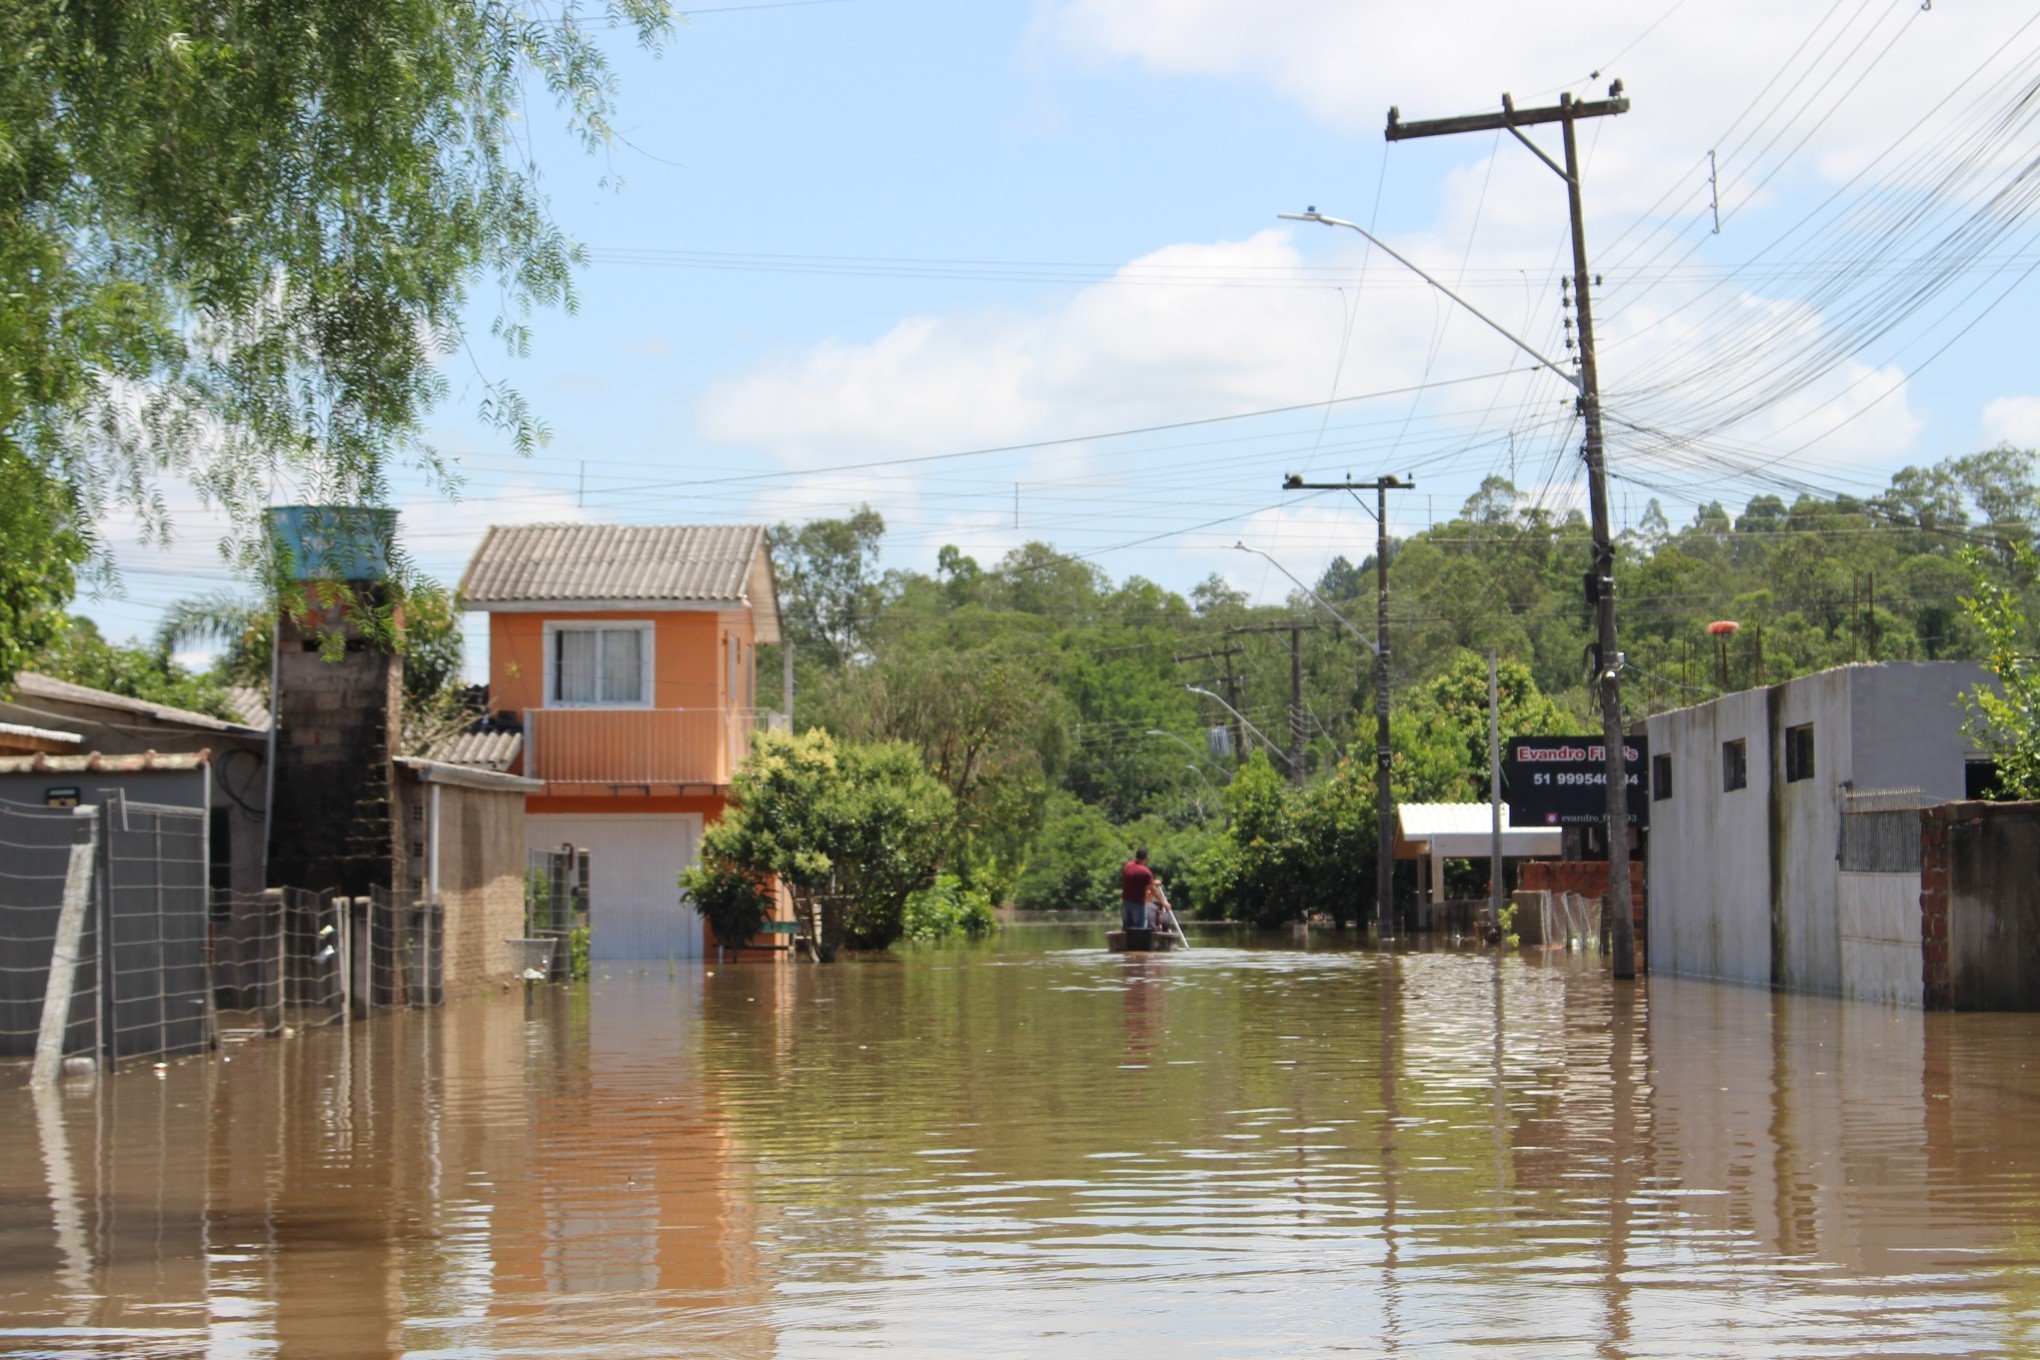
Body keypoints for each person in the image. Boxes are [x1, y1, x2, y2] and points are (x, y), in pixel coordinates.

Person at [1121, 849, 1156, 934]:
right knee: (1140, 931)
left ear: (1135, 855)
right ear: (1147, 857)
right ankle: (1139, 945)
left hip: (1126, 903)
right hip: (1138, 904)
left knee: (1127, 930)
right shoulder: (1146, 872)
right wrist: (1165, 903)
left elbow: (1134, 881)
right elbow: (1154, 890)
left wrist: (1152, 883)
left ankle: (1128, 945)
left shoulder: (1128, 866)